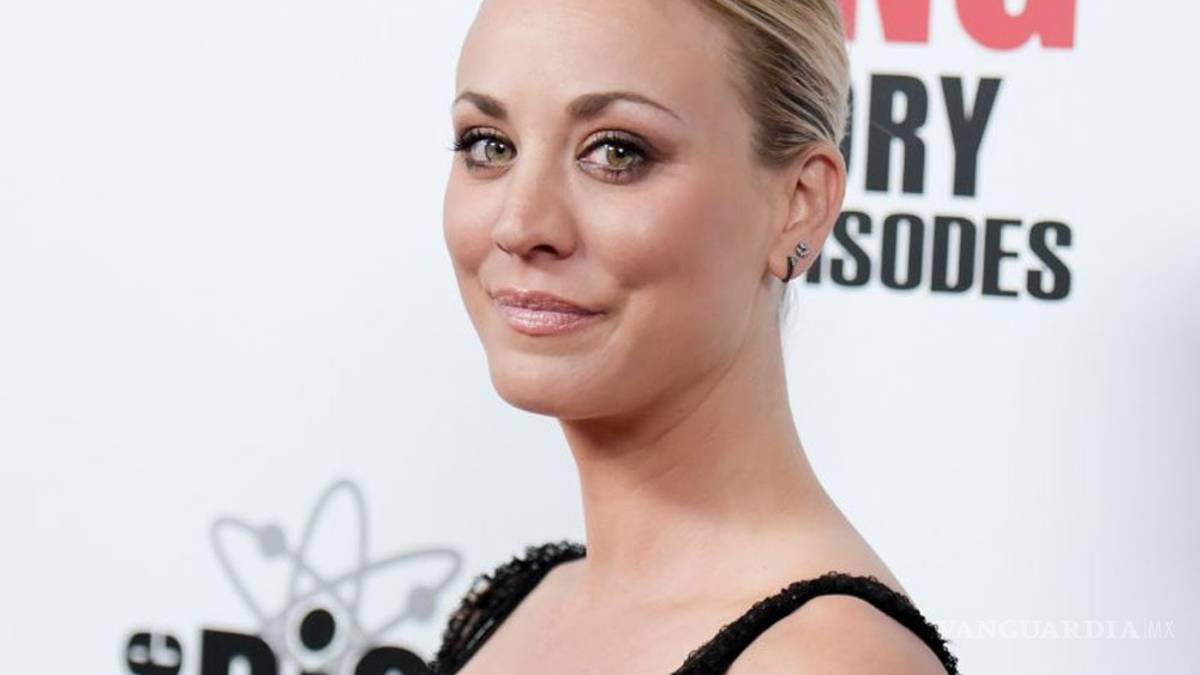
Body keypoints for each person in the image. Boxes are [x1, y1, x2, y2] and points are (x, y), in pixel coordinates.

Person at [432, 0, 959, 673]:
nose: (520, 224)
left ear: (800, 205)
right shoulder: (517, 606)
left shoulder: (827, 661)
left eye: (616, 152)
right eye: (489, 145)